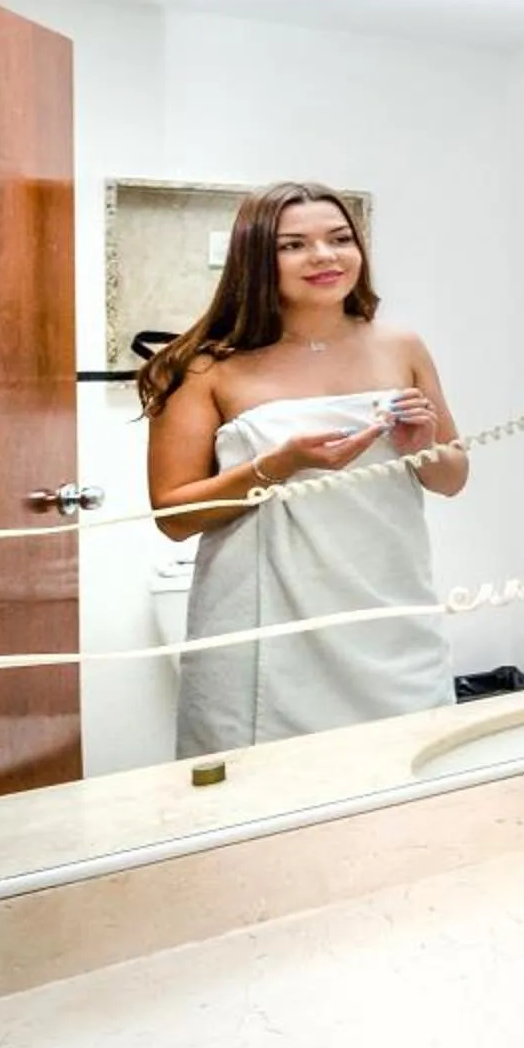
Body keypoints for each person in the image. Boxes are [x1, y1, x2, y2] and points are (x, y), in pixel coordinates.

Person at [141, 180, 465, 757]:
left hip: (388, 615)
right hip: (266, 630)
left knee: (407, 780)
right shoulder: (202, 367)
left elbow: (452, 478)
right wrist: (278, 465)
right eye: (294, 245)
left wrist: (426, 441)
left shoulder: (401, 345)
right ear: (256, 260)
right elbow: (174, 515)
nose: (324, 256)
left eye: (340, 238)